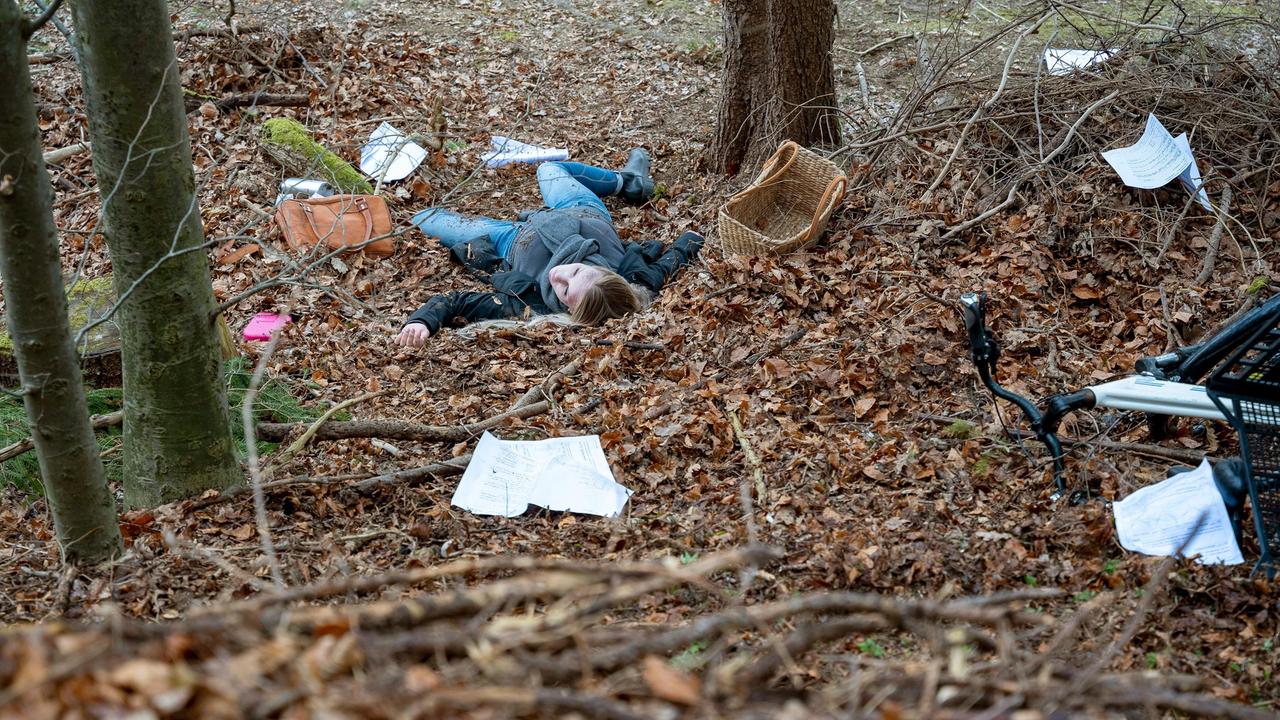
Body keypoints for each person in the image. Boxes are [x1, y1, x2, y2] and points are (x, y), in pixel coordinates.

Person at [396, 149, 704, 347]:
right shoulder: (632, 280)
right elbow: (677, 255)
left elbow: (457, 302)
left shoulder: (529, 307)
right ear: (599, 270)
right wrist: (694, 236)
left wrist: (422, 321)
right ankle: (627, 181)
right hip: (583, 209)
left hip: (510, 239)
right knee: (548, 169)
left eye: (566, 290)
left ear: (571, 310)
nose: (560, 275)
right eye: (577, 270)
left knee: (424, 218)